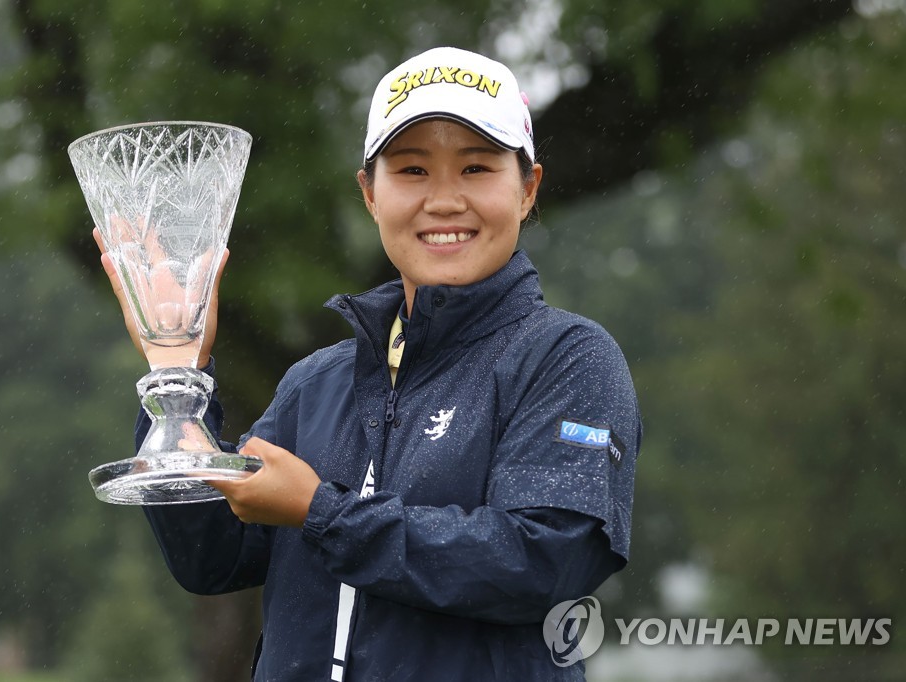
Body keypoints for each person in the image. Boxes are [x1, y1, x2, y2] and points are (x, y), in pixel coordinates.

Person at [98, 46, 641, 681]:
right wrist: (180, 369)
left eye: (475, 167)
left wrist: (321, 512)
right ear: (369, 194)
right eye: (411, 170)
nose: (444, 200)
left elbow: (541, 563)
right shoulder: (315, 382)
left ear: (527, 190)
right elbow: (212, 559)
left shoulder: (566, 358)